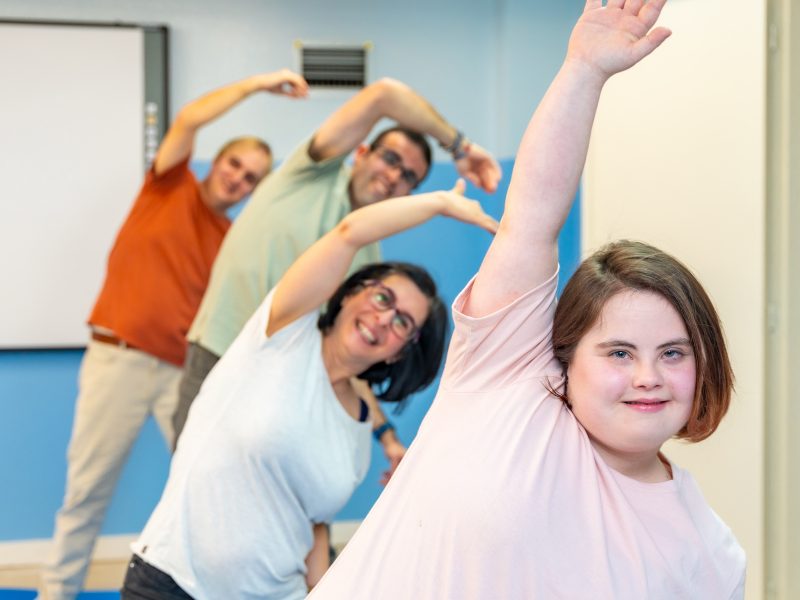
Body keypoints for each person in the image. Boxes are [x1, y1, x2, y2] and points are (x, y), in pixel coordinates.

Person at [308, 1, 747, 598]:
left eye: (673, 352)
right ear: (566, 356)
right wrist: (585, 71)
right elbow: (531, 221)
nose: (649, 376)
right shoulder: (506, 381)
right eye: (619, 352)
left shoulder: (713, 557)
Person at [118, 181, 499, 600]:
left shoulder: (357, 433)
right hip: (170, 582)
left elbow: (311, 525)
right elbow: (349, 233)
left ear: (400, 353)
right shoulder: (283, 331)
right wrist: (439, 202)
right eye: (382, 297)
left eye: (403, 322)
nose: (383, 318)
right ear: (352, 292)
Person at [38, 70, 308, 600]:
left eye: (252, 178)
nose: (239, 180)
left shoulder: (231, 239)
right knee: (87, 491)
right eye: (235, 165)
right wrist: (256, 87)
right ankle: (56, 593)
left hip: (183, 377)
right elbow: (189, 119)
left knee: (205, 488)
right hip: (120, 360)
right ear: (216, 161)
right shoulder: (168, 186)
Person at [171, 77, 503, 478]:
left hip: (277, 381)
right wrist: (460, 147)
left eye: (409, 177)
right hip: (217, 351)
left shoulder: (368, 269)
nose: (395, 176)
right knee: (194, 486)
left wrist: (386, 436)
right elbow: (385, 94)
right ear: (361, 152)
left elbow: (348, 352)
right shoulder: (311, 173)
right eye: (391, 160)